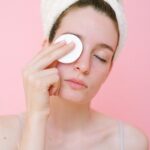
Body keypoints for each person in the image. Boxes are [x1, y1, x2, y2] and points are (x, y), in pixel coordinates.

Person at [0, 0, 149, 149]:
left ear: (109, 70)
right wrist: (36, 116)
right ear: (46, 48)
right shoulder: (5, 133)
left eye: (100, 57)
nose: (84, 66)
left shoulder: (131, 143)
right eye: (73, 47)